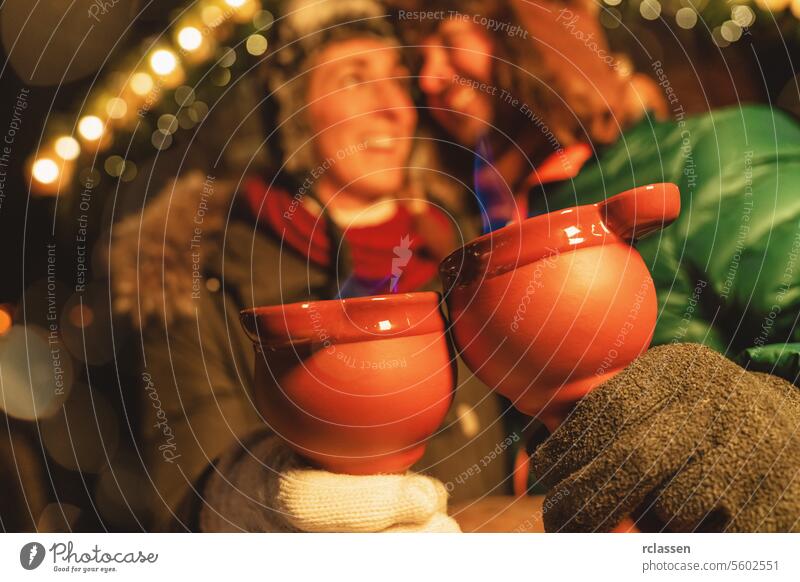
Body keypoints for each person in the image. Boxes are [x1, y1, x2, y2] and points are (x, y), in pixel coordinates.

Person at [111, 0, 514, 532]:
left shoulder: (464, 246)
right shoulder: (192, 271)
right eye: (353, 79)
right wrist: (281, 504)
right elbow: (190, 483)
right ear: (295, 111)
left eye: (396, 80)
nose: (391, 107)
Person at [405, 0, 800, 530]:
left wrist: (751, 437)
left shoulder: (717, 154)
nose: (429, 80)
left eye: (451, 43)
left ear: (537, 32)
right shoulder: (490, 232)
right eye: (418, 66)